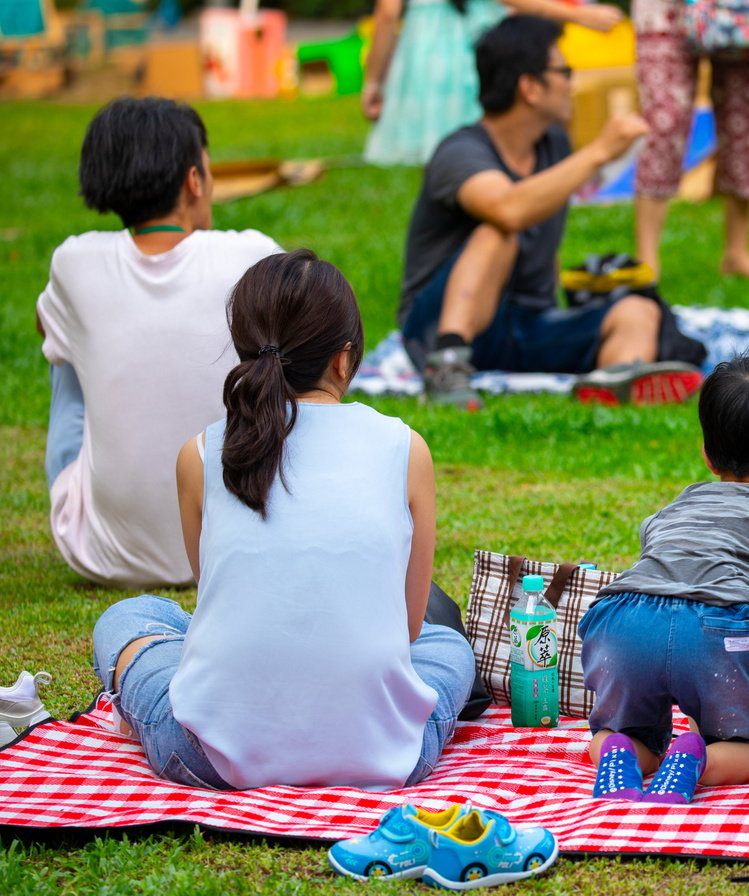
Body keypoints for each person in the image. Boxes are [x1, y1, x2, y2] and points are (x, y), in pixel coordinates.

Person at [90, 250, 477, 790]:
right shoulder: (405, 448)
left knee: (132, 618)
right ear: (343, 360)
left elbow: (216, 605)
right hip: (384, 754)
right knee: (446, 646)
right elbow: (408, 631)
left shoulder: (200, 453)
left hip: (211, 758)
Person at [37, 97, 281, 589]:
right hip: (231, 546)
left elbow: (48, 332)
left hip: (102, 555)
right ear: (194, 180)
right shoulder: (253, 255)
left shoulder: (74, 263)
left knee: (64, 350)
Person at [399, 15, 702, 409]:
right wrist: (599, 151)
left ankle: (615, 382)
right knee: (499, 231)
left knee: (637, 310)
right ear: (530, 87)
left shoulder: (553, 145)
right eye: (565, 72)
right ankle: (447, 366)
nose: (572, 84)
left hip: (527, 323)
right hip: (436, 326)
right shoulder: (460, 152)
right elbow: (509, 210)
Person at [581, 355, 749, 804]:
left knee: (627, 733)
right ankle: (699, 759)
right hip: (716, 635)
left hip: (622, 621)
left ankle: (615, 748)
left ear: (709, 456)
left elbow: (665, 589)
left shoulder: (666, 514)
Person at [361, 0, 624, 167]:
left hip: (427, 53)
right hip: (480, 42)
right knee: (501, 142)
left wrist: (373, 81)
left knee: (439, 156)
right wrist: (578, 15)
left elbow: (387, 12)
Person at [630, 0, 749, 282]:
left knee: (746, 122)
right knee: (666, 122)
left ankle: (738, 252)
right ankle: (646, 260)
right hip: (665, 10)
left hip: (744, 10)